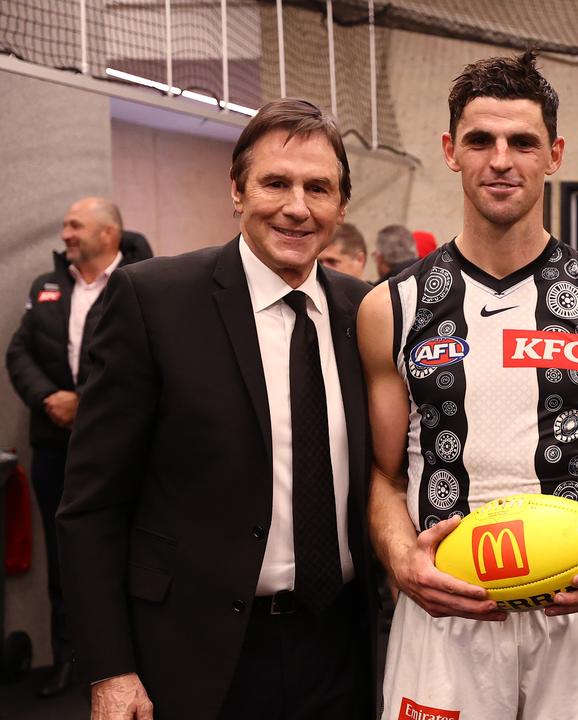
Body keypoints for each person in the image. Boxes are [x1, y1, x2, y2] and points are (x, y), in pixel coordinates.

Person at [361, 51, 578, 720]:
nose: (500, 160)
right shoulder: (392, 307)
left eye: (522, 142)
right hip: (445, 612)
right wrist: (400, 560)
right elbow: (383, 477)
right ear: (451, 150)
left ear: (553, 154)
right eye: (480, 140)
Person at [56, 98, 377, 719]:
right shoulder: (153, 301)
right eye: (275, 183)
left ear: (342, 206)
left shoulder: (364, 313)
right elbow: (91, 506)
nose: (296, 206)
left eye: (319, 188)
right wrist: (110, 668)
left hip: (340, 647)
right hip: (196, 653)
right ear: (236, 190)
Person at [5, 198, 151, 698]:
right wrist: (49, 398)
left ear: (110, 232)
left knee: (129, 547)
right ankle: (72, 657)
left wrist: (84, 404)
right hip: (54, 446)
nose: (65, 233)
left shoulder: (145, 283)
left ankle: (135, 657)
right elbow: (19, 350)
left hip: (119, 448)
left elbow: (143, 368)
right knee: (66, 552)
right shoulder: (48, 286)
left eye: (75, 225)